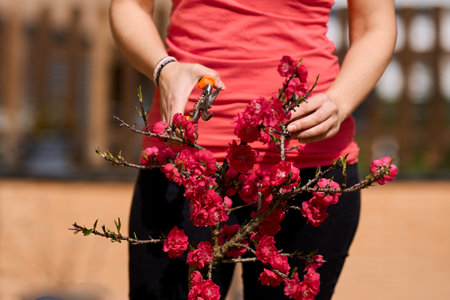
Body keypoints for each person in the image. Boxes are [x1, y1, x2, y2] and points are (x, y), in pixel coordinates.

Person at [109, 0, 396, 299]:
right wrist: (163, 68)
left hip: (309, 169)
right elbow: (129, 6)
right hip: (185, 162)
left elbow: (375, 26)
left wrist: (340, 101)